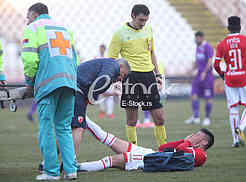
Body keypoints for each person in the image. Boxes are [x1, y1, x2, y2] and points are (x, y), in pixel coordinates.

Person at [21, 3, 79, 180]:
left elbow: (30, 60)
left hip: (47, 84)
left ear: (35, 14)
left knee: (46, 128)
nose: (26, 21)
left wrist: (30, 83)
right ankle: (71, 170)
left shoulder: (33, 28)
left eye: (28, 17)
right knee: (64, 128)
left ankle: (51, 172)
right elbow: (75, 58)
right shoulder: (64, 28)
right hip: (69, 82)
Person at [108, 4, 167, 146]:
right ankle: (133, 151)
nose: (143, 23)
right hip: (131, 78)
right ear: (132, 15)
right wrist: (116, 77)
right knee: (132, 120)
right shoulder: (120, 33)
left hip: (149, 77)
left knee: (159, 118)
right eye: (141, 20)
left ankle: (163, 148)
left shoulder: (148, 29)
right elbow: (111, 58)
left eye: (145, 20)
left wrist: (157, 74)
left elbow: (152, 52)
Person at [79, 117, 214, 172]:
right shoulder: (189, 146)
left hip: (151, 161)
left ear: (204, 142)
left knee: (112, 160)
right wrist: (184, 141)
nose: (193, 136)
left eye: (197, 135)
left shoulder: (201, 155)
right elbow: (163, 148)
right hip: (153, 154)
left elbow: (179, 150)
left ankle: (76, 167)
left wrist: (187, 142)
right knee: (110, 138)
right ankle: (83, 116)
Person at [214, 16, 246, 147]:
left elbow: (216, 65)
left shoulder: (222, 43)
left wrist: (222, 75)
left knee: (233, 108)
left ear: (228, 28)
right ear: (240, 27)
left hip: (229, 78)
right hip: (244, 78)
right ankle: (240, 127)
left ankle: (235, 140)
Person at [71, 58, 130, 159]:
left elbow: (97, 85)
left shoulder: (106, 66)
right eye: (123, 75)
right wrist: (92, 98)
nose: (121, 79)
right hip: (77, 91)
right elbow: (101, 81)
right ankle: (70, 163)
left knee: (67, 130)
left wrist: (112, 93)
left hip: (71, 88)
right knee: (78, 128)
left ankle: (48, 161)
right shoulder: (113, 66)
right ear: (121, 66)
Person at [185, 31, 215, 126]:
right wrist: (191, 70)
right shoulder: (198, 47)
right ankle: (196, 117)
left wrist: (205, 73)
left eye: (196, 38)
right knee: (193, 94)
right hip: (198, 75)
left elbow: (210, 61)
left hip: (207, 77)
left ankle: (207, 118)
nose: (195, 40)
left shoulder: (208, 47)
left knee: (208, 98)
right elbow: (197, 61)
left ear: (201, 38)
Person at [95, 44, 118, 119]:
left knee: (110, 96)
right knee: (101, 95)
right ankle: (102, 111)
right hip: (99, 80)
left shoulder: (108, 57)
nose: (101, 50)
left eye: (103, 48)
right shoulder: (96, 57)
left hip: (108, 79)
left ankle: (109, 113)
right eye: (100, 48)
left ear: (104, 49)